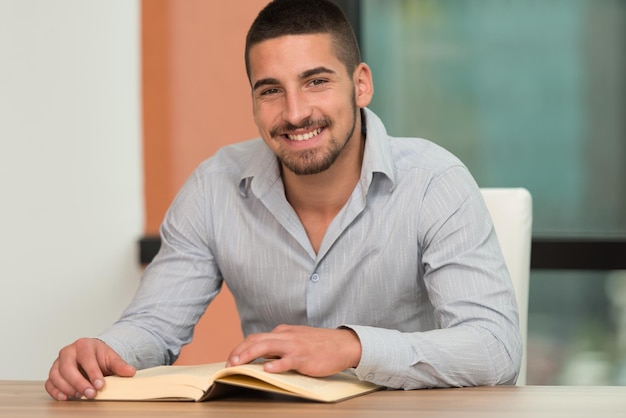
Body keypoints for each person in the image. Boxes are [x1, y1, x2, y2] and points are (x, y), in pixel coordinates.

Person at [45, 0, 521, 401]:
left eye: (316, 81)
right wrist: (103, 351)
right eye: (271, 90)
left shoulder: (435, 183)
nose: (295, 113)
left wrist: (352, 348)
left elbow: (495, 348)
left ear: (361, 85)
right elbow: (153, 327)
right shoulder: (214, 188)